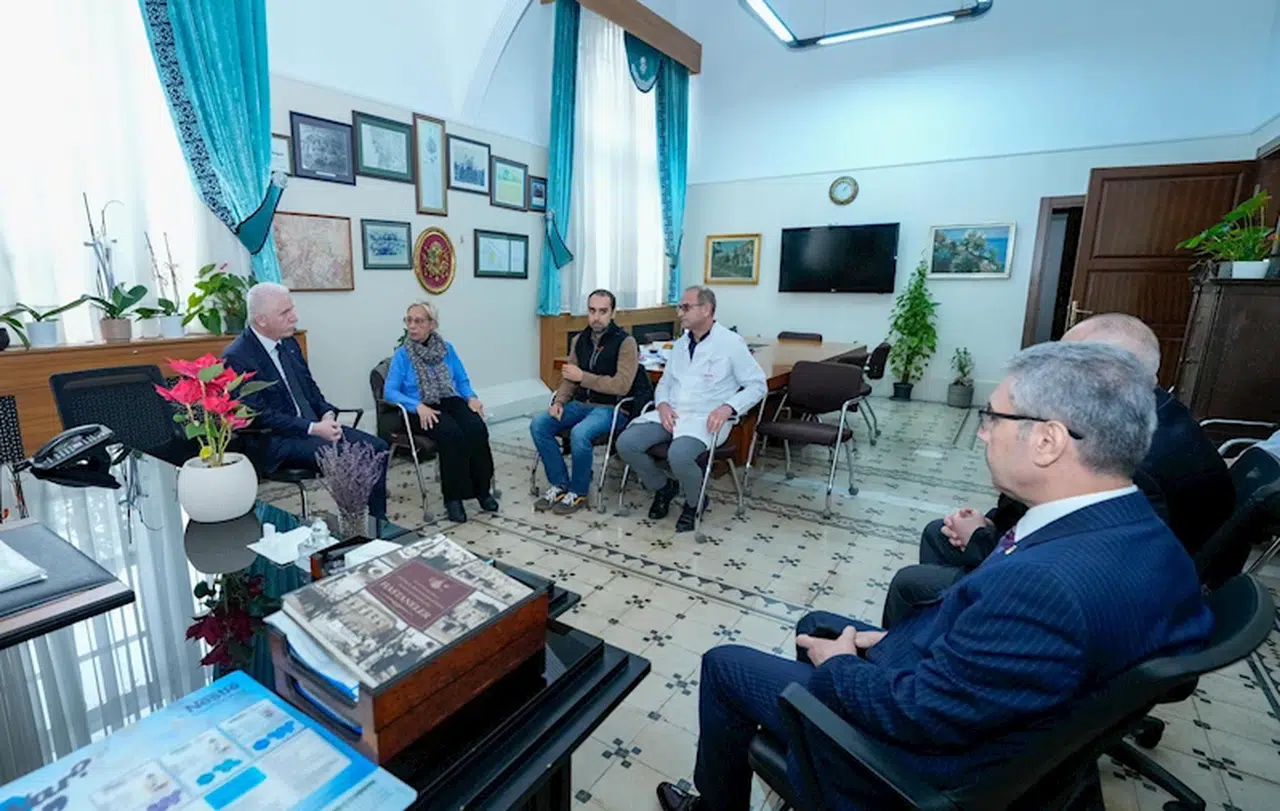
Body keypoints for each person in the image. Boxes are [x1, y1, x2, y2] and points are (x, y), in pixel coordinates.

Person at [655, 341, 1213, 811]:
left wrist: (843, 664)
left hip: (915, 766)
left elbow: (916, 715)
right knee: (817, 623)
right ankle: (803, 747)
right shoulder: (1147, 532)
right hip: (985, 711)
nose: (981, 433)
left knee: (724, 665)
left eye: (993, 418)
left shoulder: (1044, 587)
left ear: (1048, 441)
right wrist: (888, 641)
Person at [881, 312, 1234, 628]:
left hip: (1086, 602)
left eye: (1067, 365)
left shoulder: (1133, 463)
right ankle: (938, 623)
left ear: (1111, 376)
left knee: (911, 583)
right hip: (1094, 572)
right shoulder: (1158, 414)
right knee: (939, 534)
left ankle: (943, 623)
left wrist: (982, 538)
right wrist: (992, 524)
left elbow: (1072, 560)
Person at [223, 282, 389, 519]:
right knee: (352, 457)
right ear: (261, 320)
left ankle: (377, 523)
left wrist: (326, 414)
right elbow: (258, 415)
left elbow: (310, 388)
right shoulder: (237, 357)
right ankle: (353, 523)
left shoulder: (289, 343)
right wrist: (313, 428)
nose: (295, 317)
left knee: (378, 448)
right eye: (285, 313)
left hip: (314, 427)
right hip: (275, 439)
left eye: (292, 309)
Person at [615, 286, 767, 532]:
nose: (679, 313)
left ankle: (695, 502)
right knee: (626, 443)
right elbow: (666, 382)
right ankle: (664, 487)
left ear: (706, 310)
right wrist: (663, 404)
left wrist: (728, 408)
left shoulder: (730, 343)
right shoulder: (680, 344)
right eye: (680, 307)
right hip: (672, 413)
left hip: (706, 419)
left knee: (679, 454)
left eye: (686, 307)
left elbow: (757, 385)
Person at [530, 289, 653, 514]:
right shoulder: (580, 340)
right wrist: (559, 402)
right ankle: (560, 484)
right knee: (539, 424)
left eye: (603, 311)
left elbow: (621, 385)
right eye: (592, 311)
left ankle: (578, 492)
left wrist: (583, 377)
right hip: (580, 404)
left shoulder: (626, 343)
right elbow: (570, 377)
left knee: (580, 433)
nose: (596, 317)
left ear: (613, 313)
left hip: (612, 409)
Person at [383, 301, 496, 524]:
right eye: (409, 320)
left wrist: (471, 397)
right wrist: (417, 406)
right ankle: (453, 498)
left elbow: (461, 380)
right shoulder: (403, 355)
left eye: (419, 321)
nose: (412, 326)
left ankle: (482, 491)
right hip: (418, 409)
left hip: (448, 399)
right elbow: (390, 391)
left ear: (432, 324)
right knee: (450, 434)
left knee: (476, 428)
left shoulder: (447, 349)